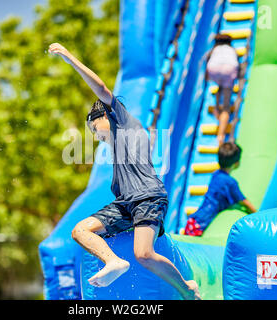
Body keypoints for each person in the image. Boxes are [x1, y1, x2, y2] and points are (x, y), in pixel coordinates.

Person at [48, 43, 201, 300]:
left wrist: (69, 57)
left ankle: (187, 288)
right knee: (79, 230)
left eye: (94, 130)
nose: (96, 137)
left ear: (104, 117)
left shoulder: (121, 119)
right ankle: (113, 262)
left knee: (144, 254)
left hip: (148, 198)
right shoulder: (118, 144)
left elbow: (102, 88)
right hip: (125, 204)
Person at [185, 142, 256, 236]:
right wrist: (256, 214)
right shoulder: (230, 182)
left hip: (194, 220)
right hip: (201, 225)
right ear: (236, 163)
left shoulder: (216, 174)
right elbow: (243, 201)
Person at [206, 34, 240, 145]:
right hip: (229, 70)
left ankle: (217, 109)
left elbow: (207, 61)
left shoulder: (215, 49)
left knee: (220, 86)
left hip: (213, 69)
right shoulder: (231, 49)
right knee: (226, 105)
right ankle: (220, 135)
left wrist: (207, 77)